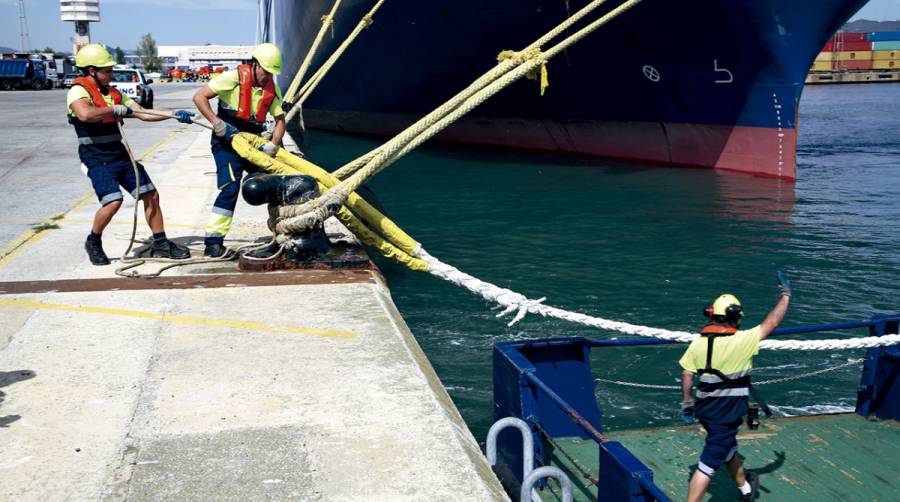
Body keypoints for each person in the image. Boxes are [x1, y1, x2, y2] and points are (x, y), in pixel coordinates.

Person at [67, 44, 195, 265]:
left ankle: (161, 243)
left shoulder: (113, 94)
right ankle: (93, 241)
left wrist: (173, 115)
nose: (111, 74)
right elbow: (85, 114)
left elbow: (144, 113)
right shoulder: (78, 91)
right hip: (96, 158)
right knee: (113, 201)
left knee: (150, 195)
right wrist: (112, 110)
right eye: (106, 70)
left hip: (120, 155)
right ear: (91, 71)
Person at [679, 278, 791, 502]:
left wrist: (687, 402)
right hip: (727, 413)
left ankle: (745, 490)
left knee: (727, 448)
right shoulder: (744, 340)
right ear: (735, 317)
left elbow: (687, 375)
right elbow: (773, 322)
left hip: (705, 410)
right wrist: (786, 296)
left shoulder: (698, 342)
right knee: (708, 464)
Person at [192, 43, 287, 257]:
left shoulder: (271, 89)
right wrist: (217, 123)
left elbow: (280, 121)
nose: (268, 77)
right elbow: (199, 97)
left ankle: (285, 233)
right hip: (226, 143)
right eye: (266, 71)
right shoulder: (232, 78)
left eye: (272, 73)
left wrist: (273, 144)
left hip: (253, 143)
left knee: (276, 183)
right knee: (230, 188)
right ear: (254, 65)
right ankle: (213, 243)